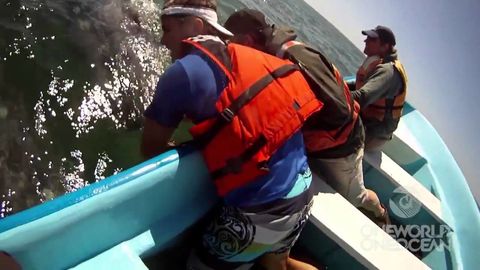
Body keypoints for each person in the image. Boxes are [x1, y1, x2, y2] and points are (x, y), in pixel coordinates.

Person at [142, 1, 321, 269]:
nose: (162, 40)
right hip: (302, 191)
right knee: (278, 264)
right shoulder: (246, 57)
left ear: (196, 25)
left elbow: (150, 148)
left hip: (263, 212)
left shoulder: (183, 73)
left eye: (166, 29)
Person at [224, 9, 389, 225]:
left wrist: (296, 119)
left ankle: (380, 212)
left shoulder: (296, 61)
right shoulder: (271, 56)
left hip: (342, 147)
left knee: (357, 197)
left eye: (231, 45)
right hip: (319, 141)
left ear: (246, 40)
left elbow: (339, 110)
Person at [352, 25, 408, 151]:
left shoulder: (388, 72)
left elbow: (362, 97)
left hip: (373, 132)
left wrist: (329, 92)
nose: (365, 41)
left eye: (372, 39)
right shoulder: (378, 62)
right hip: (366, 119)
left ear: (385, 46)